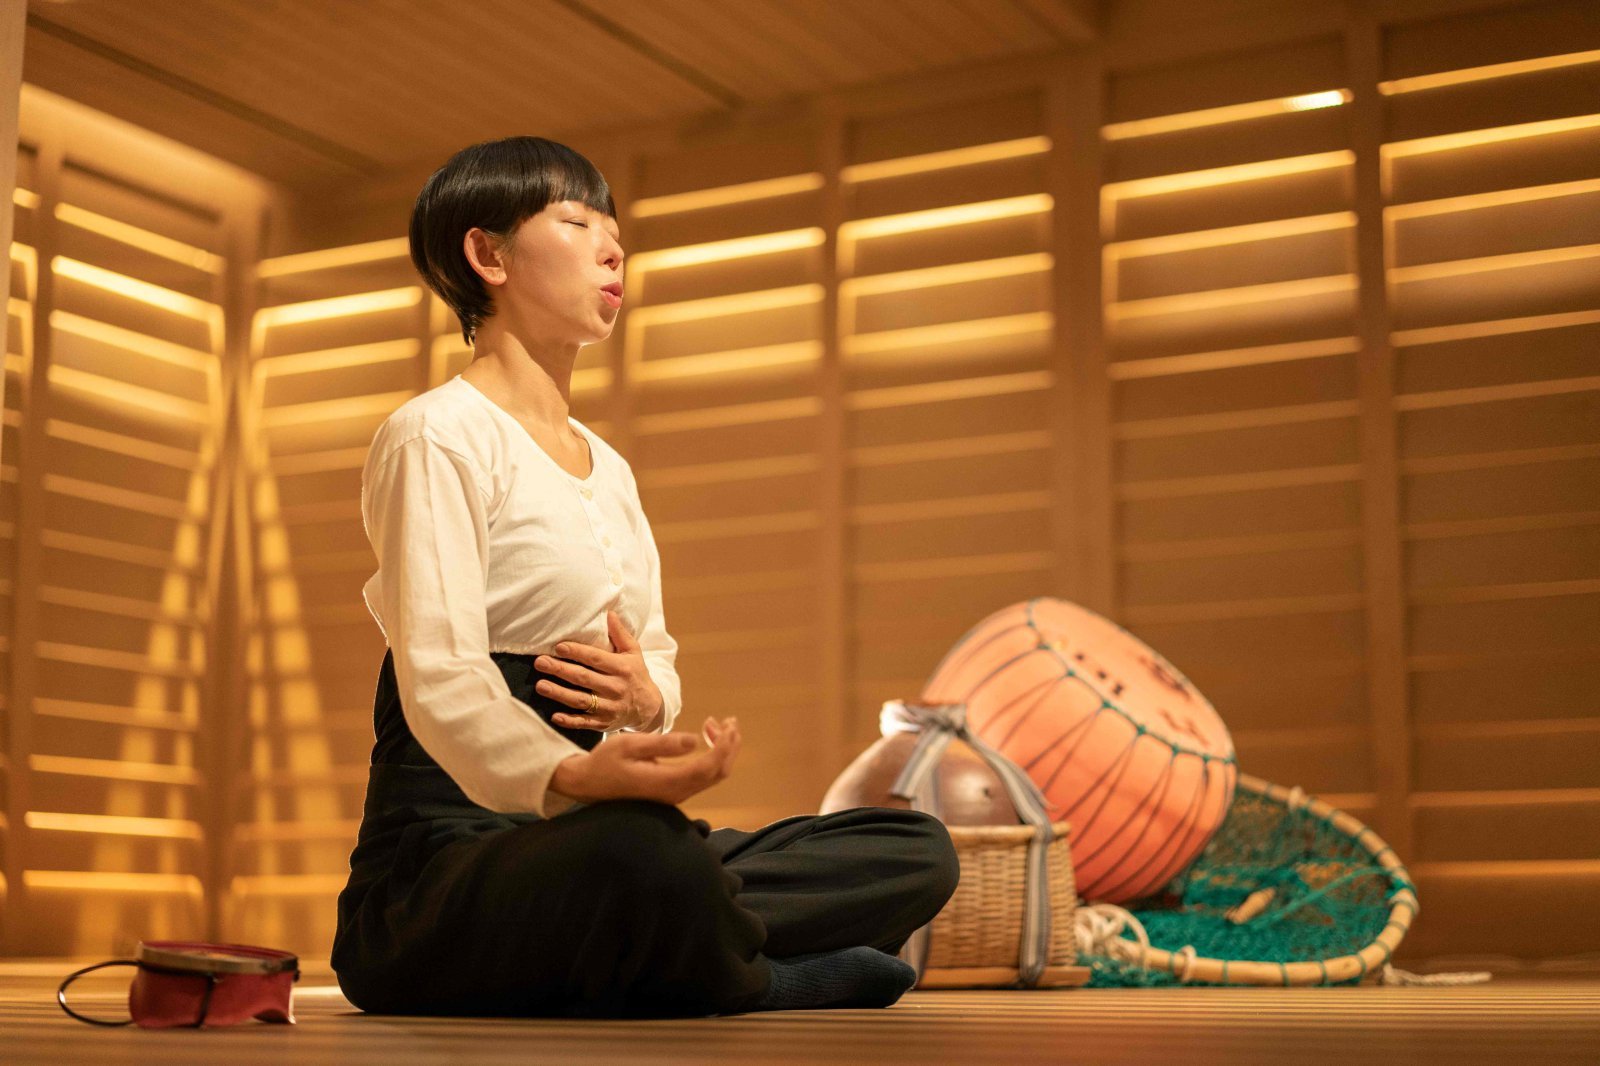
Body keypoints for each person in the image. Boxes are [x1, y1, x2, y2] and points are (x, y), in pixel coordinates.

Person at [330, 135, 961, 1019]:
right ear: (488, 255)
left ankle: (681, 940)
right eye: (577, 222)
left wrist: (645, 700)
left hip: (589, 839)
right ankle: (767, 977)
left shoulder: (612, 470)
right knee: (645, 860)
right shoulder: (435, 434)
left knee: (915, 848)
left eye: (615, 231)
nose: (612, 249)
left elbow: (655, 650)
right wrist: (574, 776)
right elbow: (437, 673)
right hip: (446, 862)